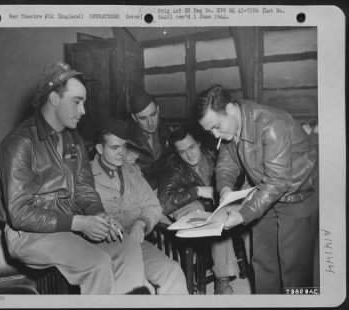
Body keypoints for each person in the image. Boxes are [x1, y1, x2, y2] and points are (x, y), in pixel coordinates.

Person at [0, 61, 148, 294]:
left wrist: (99, 215)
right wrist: (79, 223)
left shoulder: (74, 139)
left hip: (68, 225)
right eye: (77, 102)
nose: (84, 110)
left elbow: (85, 189)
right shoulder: (18, 143)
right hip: (28, 234)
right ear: (54, 99)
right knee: (96, 263)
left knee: (127, 246)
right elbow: (19, 214)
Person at [193, 85, 319, 294]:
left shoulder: (271, 125)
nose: (215, 135)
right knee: (263, 262)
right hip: (263, 194)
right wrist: (225, 189)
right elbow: (226, 165)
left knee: (294, 269)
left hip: (298, 195)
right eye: (210, 131)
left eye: (216, 126)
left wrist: (242, 214)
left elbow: (277, 182)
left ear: (232, 109)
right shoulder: (229, 128)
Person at [92, 120, 189, 294]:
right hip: (104, 249)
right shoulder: (86, 177)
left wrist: (142, 223)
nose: (122, 153)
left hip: (137, 242)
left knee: (172, 272)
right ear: (100, 149)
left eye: (124, 146)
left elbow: (153, 206)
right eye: (115, 148)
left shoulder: (132, 171)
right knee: (140, 289)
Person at [158, 126, 249, 294]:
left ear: (198, 143)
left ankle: (232, 277)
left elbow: (236, 175)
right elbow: (163, 203)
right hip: (196, 210)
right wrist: (197, 191)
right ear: (177, 153)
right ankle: (222, 279)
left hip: (219, 207)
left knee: (232, 216)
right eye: (183, 151)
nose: (189, 154)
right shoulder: (174, 166)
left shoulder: (214, 155)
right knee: (209, 217)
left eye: (192, 147)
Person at [126, 93, 172, 189]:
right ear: (134, 118)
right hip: (139, 192)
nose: (150, 123)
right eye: (143, 118)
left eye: (153, 115)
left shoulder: (169, 134)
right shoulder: (125, 139)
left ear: (158, 110)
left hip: (166, 189)